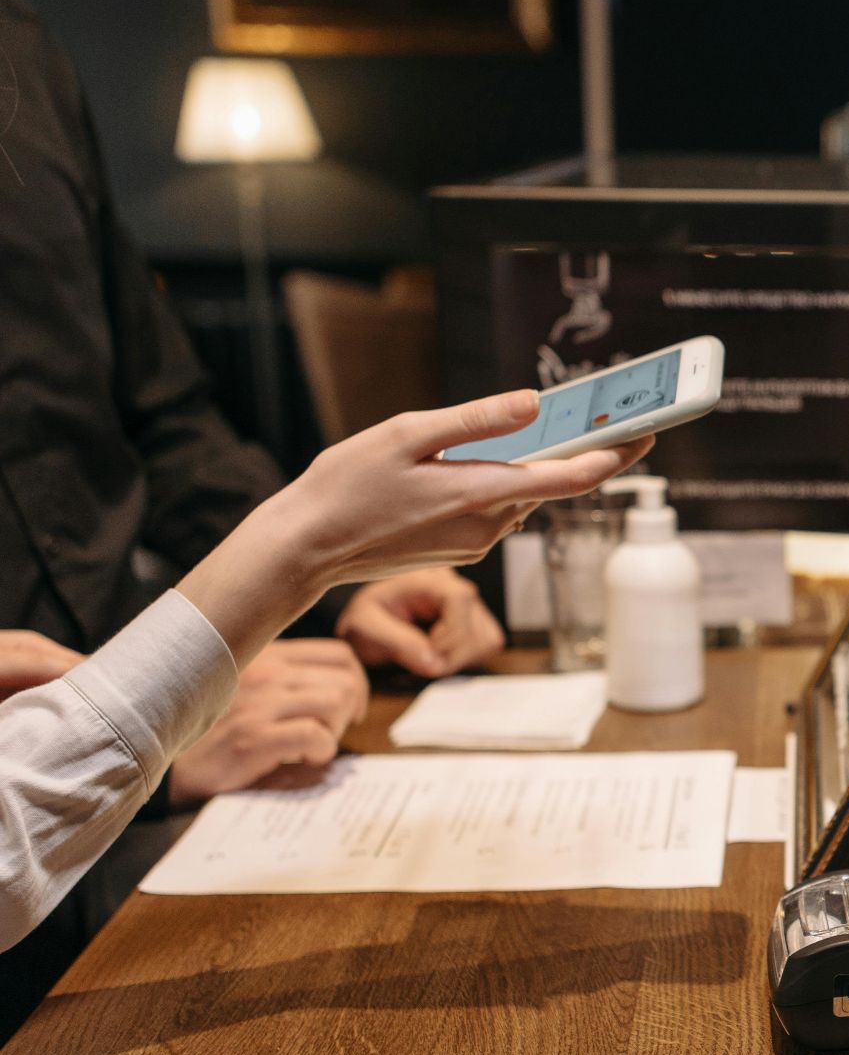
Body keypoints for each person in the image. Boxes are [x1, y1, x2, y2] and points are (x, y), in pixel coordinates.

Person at [0, 0, 513, 1032]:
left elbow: (165, 413)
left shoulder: (21, 48)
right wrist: (151, 745)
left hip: (143, 781)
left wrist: (341, 594)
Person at [0, 390, 651, 954]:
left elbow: (175, 435)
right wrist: (306, 547)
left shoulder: (70, 239)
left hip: (129, 715)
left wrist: (344, 585)